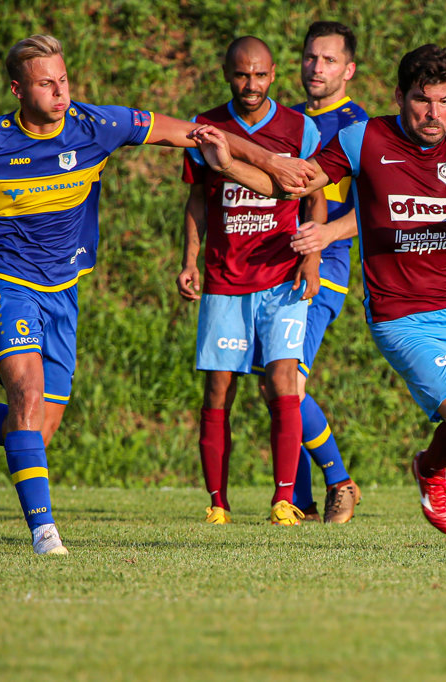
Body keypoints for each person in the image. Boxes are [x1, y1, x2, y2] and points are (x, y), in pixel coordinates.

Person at [0, 34, 312, 555]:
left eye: (63, 80)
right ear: (18, 90)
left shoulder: (95, 125)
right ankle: (45, 536)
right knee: (28, 395)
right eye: (45, 84)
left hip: (63, 290)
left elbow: (198, 133)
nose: (60, 93)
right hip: (6, 283)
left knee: (36, 428)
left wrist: (271, 161)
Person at [192, 44, 446, 550]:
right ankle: (429, 467)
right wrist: (230, 165)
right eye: (422, 100)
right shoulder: (364, 138)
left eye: (444, 100)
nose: (434, 113)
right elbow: (292, 185)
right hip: (402, 316)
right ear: (400, 96)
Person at [176, 36, 323, 527]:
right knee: (219, 391)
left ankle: (285, 499)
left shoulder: (300, 128)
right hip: (225, 279)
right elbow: (197, 201)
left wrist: (313, 257)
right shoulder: (206, 127)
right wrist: (191, 259)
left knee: (284, 382)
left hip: (282, 275)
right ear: (226, 72)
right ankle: (217, 502)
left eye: (260, 75)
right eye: (242, 75)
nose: (251, 84)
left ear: (274, 73)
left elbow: (314, 193)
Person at [285, 21, 368, 524]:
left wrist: (319, 241)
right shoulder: (284, 119)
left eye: (330, 60)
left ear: (349, 70)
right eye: (311, 58)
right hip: (274, 264)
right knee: (275, 380)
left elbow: (372, 213)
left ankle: (339, 482)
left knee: (288, 380)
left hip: (325, 269)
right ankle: (298, 502)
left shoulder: (362, 130)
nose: (317, 68)